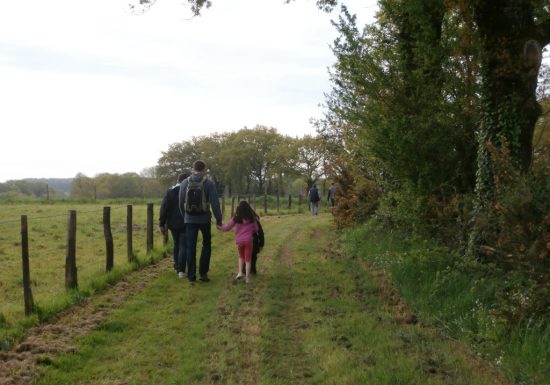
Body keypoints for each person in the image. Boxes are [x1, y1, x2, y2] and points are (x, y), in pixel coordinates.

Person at [178, 160, 223, 283]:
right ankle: (203, 274)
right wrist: (219, 219)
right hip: (204, 219)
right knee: (206, 245)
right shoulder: (209, 183)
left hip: (189, 219)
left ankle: (191, 277)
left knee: (190, 247)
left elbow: (181, 202)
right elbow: (215, 203)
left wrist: (185, 216)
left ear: (193, 169)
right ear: (204, 170)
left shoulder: (184, 183)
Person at [217, 201, 259, 284]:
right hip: (249, 241)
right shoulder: (252, 218)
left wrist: (220, 227)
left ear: (238, 209)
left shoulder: (236, 218)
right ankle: (247, 278)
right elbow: (256, 229)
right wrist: (251, 231)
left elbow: (227, 228)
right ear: (248, 208)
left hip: (239, 241)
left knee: (241, 257)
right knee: (248, 260)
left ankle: (240, 272)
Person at [159, 172, 189, 278]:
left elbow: (164, 208)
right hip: (185, 222)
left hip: (172, 223)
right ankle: (181, 270)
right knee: (183, 246)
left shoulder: (169, 192)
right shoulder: (188, 191)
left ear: (178, 180)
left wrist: (161, 224)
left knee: (176, 244)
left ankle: (177, 267)